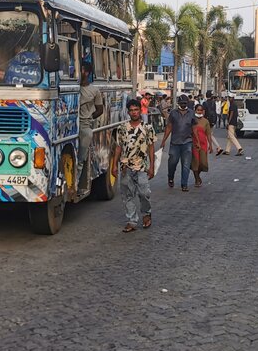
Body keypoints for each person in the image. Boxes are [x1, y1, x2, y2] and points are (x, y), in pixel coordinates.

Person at [112, 97, 156, 231]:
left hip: (142, 166)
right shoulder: (122, 128)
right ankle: (131, 221)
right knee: (127, 195)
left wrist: (152, 167)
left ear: (140, 111)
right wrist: (114, 165)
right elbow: (118, 147)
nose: (134, 112)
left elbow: (151, 147)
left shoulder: (147, 128)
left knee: (144, 193)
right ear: (128, 112)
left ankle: (146, 214)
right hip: (126, 167)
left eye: (136, 110)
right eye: (131, 110)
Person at [77, 66, 105, 191]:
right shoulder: (72, 87)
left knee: (81, 157)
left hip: (84, 125)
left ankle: (76, 183)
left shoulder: (94, 91)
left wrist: (89, 118)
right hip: (69, 125)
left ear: (87, 72)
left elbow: (100, 110)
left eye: (81, 69)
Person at [160, 94, 195, 191]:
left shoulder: (191, 113)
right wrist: (163, 141)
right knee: (172, 163)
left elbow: (194, 128)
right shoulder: (173, 113)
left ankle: (184, 184)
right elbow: (169, 127)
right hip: (175, 143)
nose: (183, 105)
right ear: (178, 103)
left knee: (186, 164)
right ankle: (170, 177)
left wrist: (197, 142)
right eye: (181, 103)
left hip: (187, 142)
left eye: (185, 103)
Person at [190, 102, 213, 186]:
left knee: (202, 163)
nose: (199, 112)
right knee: (195, 162)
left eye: (200, 110)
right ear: (195, 110)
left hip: (203, 144)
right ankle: (197, 179)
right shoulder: (191, 120)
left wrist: (210, 145)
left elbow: (208, 134)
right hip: (194, 143)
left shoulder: (206, 121)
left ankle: (198, 175)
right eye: (197, 110)